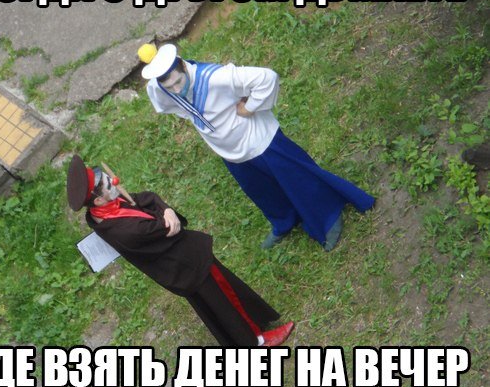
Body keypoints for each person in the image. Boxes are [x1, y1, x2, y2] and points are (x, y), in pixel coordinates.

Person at [138, 43, 375, 251]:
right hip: (231, 153)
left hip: (261, 142)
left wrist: (249, 108)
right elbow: (168, 103)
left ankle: (328, 217)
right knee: (261, 191)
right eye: (170, 86)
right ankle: (284, 221)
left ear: (182, 65)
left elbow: (266, 78)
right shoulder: (159, 87)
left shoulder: (217, 77)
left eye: (178, 81)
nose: (176, 89)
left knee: (298, 179)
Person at [66, 154, 294, 347]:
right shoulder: (125, 230)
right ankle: (256, 341)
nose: (114, 182)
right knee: (224, 296)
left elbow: (147, 198)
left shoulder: (106, 208)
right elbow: (165, 228)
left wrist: (166, 210)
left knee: (219, 300)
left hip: (181, 264)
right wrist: (167, 216)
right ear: (98, 201)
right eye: (108, 184)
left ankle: (251, 326)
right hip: (185, 263)